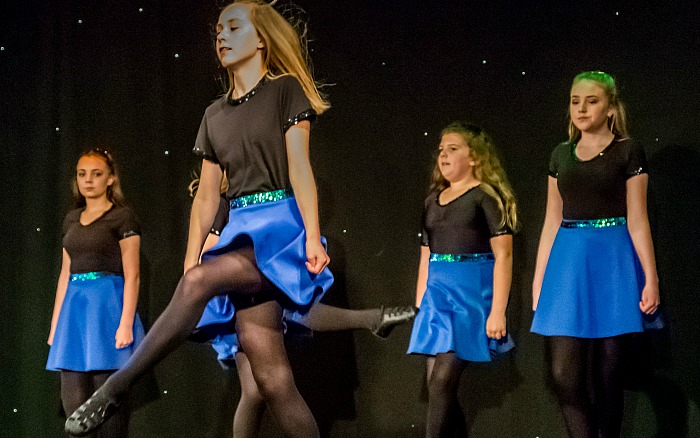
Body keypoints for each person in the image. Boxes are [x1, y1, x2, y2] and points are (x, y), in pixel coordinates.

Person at [66, 2, 338, 436]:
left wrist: (313, 236)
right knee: (272, 380)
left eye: (233, 27)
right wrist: (192, 257)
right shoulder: (214, 115)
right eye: (217, 31)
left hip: (279, 232)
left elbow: (301, 168)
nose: (221, 36)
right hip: (238, 227)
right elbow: (208, 194)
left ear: (262, 38)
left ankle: (118, 386)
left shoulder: (285, 90)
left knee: (200, 289)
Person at [188, 176, 417, 437]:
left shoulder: (249, 204)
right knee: (289, 318)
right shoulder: (222, 204)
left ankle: (374, 319)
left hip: (250, 288)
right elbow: (209, 252)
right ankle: (374, 319)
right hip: (233, 293)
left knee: (253, 390)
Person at [531, 71, 660, 437]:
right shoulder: (560, 155)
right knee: (563, 375)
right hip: (568, 266)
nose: (582, 108)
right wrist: (540, 282)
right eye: (575, 101)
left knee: (608, 379)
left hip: (614, 262)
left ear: (610, 108)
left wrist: (649, 278)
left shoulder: (627, 151)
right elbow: (551, 221)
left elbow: (638, 220)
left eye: (592, 101)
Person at [407, 122, 517, 437]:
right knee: (437, 384)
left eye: (453, 149)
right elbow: (426, 253)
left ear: (474, 157)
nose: (444, 155)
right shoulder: (432, 200)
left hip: (471, 296)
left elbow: (504, 256)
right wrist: (421, 303)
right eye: (441, 150)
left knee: (442, 379)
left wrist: (498, 310)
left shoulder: (485, 197)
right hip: (438, 296)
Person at [47, 148, 145, 438]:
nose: (88, 180)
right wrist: (55, 325)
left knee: (108, 405)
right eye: (82, 174)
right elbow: (65, 274)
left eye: (96, 174)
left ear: (111, 179)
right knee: (75, 410)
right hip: (74, 312)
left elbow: (133, 274)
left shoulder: (122, 218)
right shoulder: (72, 219)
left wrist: (126, 322)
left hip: (107, 310)